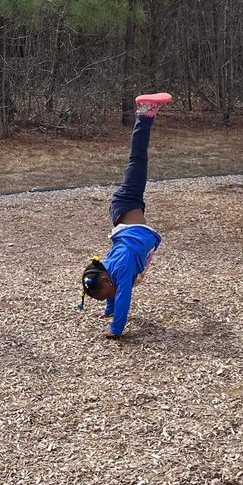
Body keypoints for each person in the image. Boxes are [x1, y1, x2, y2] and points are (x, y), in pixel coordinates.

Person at [80, 92, 172, 338]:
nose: (107, 298)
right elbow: (114, 291)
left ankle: (145, 112)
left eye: (105, 296)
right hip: (129, 212)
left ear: (107, 281)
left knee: (138, 159)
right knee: (138, 162)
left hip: (126, 202)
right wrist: (108, 311)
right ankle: (146, 114)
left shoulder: (119, 270)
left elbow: (122, 296)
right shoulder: (111, 272)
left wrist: (115, 330)